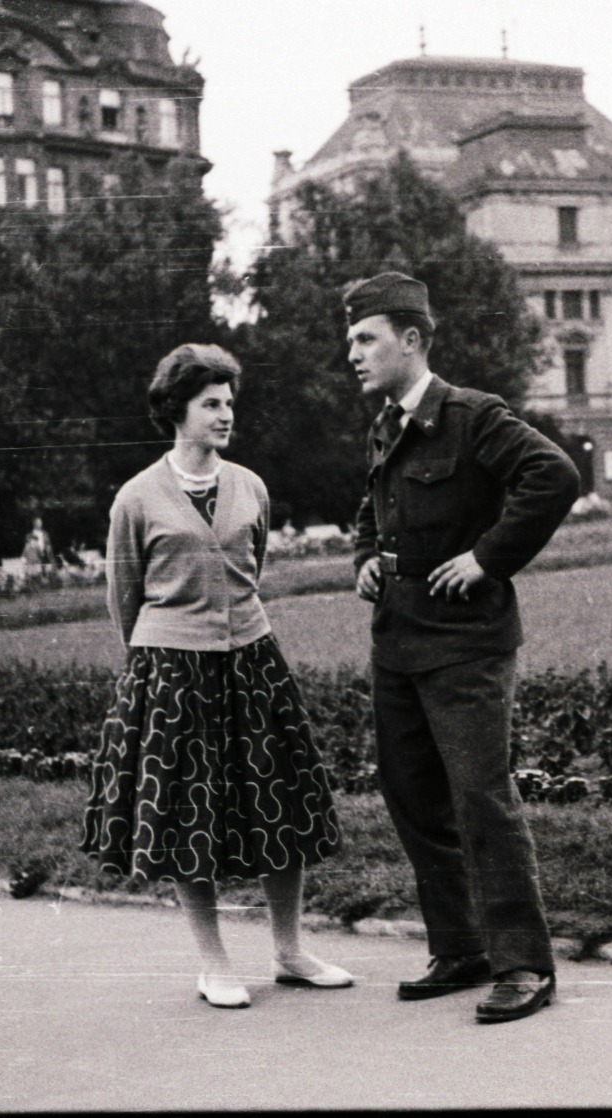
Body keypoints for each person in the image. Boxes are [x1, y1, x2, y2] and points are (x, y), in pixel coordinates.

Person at [82, 343, 348, 1010]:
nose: (226, 415)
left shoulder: (250, 486)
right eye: (212, 404)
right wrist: (160, 658)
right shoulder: (137, 498)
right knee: (188, 814)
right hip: (173, 673)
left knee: (277, 802)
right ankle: (214, 962)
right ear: (179, 410)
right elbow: (124, 596)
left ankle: (289, 951)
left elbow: (251, 569)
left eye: (230, 403)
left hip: (253, 661)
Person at [346, 273, 581, 1024]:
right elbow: (372, 508)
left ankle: (523, 964)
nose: (351, 353)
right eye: (350, 340)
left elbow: (554, 475)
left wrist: (487, 557)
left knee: (482, 799)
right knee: (414, 799)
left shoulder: (472, 416)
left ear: (411, 341)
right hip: (400, 642)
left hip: (468, 642)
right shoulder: (387, 423)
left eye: (365, 338)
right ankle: (461, 948)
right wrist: (363, 558)